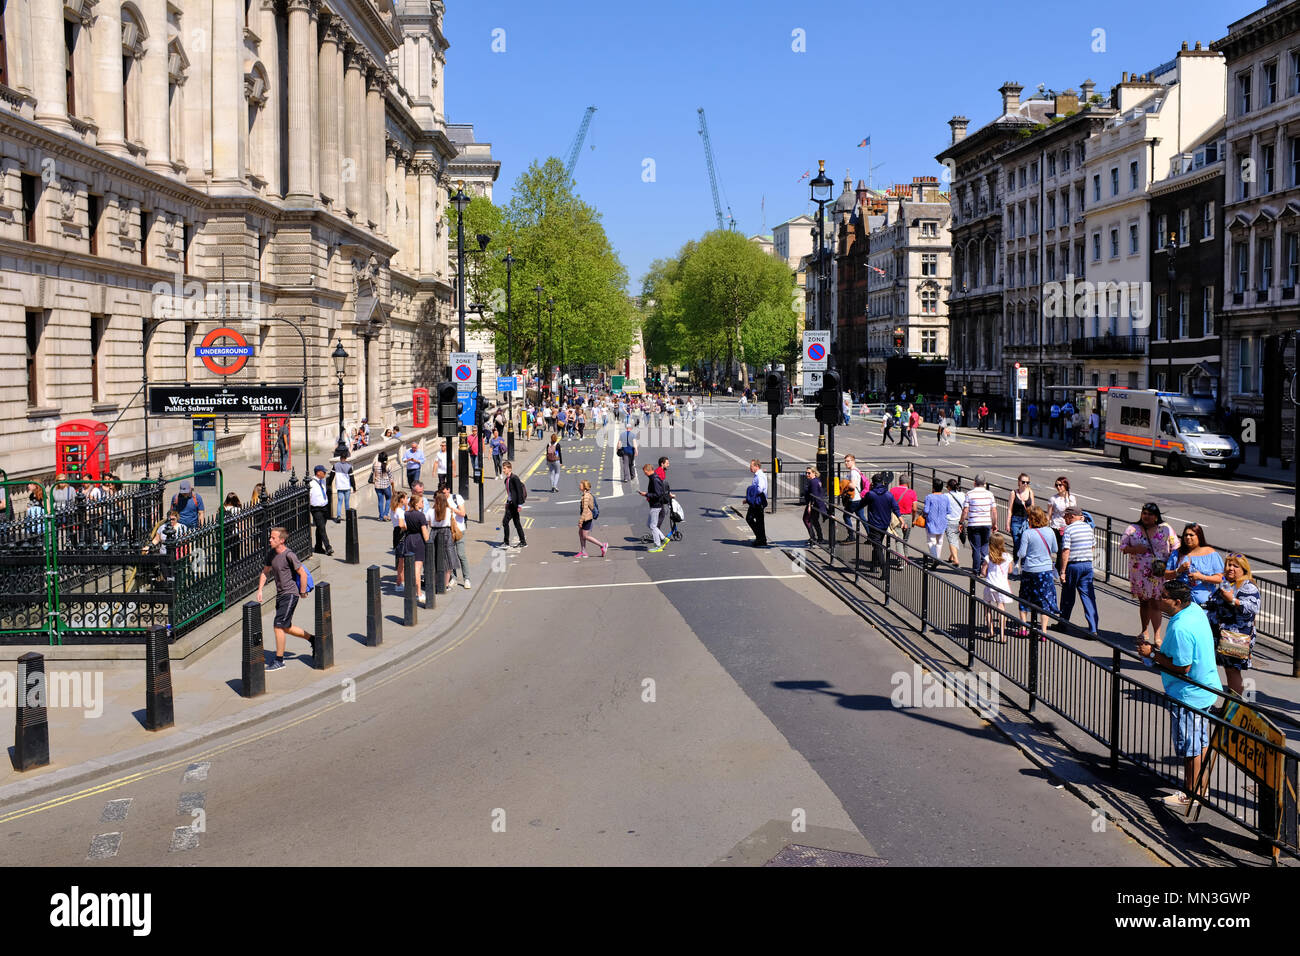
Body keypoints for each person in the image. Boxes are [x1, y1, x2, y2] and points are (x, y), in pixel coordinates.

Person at [1136, 579, 1222, 813]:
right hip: (1206, 689)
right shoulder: (1194, 610)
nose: (1158, 597)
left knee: (1190, 747)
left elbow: (1182, 666)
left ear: (1176, 601)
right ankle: (1201, 788)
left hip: (1188, 695)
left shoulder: (1180, 627)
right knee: (1201, 742)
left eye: (1163, 595)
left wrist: (1151, 653)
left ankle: (1190, 794)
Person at [256, 526, 315, 671]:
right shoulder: (271, 554)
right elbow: (265, 572)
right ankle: (314, 639)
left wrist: (302, 592)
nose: (270, 539)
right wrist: (260, 590)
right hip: (281, 594)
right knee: (286, 627)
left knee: (278, 626)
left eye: (273, 538)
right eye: (270, 537)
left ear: (281, 540)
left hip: (290, 594)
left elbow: (303, 573)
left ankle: (279, 660)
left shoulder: (290, 555)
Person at [1120, 502, 1178, 644]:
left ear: (1156, 516)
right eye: (1144, 513)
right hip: (1139, 573)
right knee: (1144, 602)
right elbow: (1122, 546)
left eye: (1150, 514)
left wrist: (1170, 562)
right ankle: (1144, 631)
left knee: (1156, 603)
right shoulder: (1133, 529)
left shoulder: (1165, 529)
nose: (1146, 516)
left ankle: (1157, 636)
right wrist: (1135, 550)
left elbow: (1176, 547)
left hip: (1158, 573)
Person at [1205, 553, 1259, 697]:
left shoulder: (1247, 586)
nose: (1231, 568)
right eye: (1229, 565)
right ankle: (1232, 705)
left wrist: (1232, 600)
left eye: (1235, 566)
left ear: (1244, 569)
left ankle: (1236, 706)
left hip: (1236, 635)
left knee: (1232, 669)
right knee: (1229, 670)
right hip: (1222, 634)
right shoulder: (1228, 583)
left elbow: (1252, 608)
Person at [1053, 505, 1098, 636]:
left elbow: (1066, 551)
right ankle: (1093, 628)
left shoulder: (1069, 530)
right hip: (1087, 565)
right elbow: (1093, 546)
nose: (1064, 519)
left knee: (1068, 596)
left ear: (1071, 516)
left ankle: (1063, 623)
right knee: (1088, 596)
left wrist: (1062, 571)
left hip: (1073, 566)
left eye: (1065, 516)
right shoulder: (1088, 528)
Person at [1015, 505, 1058, 632]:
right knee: (1044, 599)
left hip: (1030, 570)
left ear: (1032, 519)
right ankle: (1043, 631)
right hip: (1045, 570)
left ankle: (1023, 627)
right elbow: (1055, 549)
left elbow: (1022, 553)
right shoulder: (1050, 531)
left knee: (1024, 598)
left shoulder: (1027, 533)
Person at [1164, 523, 1224, 608]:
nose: (1188, 537)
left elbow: (1220, 578)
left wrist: (1202, 577)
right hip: (1183, 603)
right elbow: (1166, 575)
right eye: (1186, 535)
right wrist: (1178, 570)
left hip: (1205, 604)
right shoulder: (1177, 553)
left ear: (1199, 536)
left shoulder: (1210, 553)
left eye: (1191, 535)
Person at [959, 474, 998, 574]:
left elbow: (965, 510)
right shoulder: (990, 494)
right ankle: (984, 569)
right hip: (986, 524)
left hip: (974, 524)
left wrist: (961, 522)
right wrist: (994, 524)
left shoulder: (969, 494)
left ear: (974, 482)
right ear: (985, 484)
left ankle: (976, 570)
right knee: (985, 546)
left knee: (976, 548)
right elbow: (994, 511)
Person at [396, 492, 429, 603]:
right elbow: (424, 532)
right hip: (419, 540)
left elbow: (404, 526)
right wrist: (429, 543)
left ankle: (411, 590)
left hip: (409, 539)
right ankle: (419, 593)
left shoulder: (406, 514)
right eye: (421, 502)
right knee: (417, 568)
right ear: (416, 504)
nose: (423, 503)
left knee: (410, 567)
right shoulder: (421, 516)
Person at [863, 473, 900, 572]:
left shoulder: (871, 494)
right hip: (884, 524)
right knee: (876, 544)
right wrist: (901, 519)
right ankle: (873, 565)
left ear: (873, 482)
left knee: (877, 546)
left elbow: (862, 503)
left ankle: (884, 569)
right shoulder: (888, 494)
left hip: (874, 524)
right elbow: (896, 507)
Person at [981, 531, 1013, 643]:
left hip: (990, 584)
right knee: (1001, 609)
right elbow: (1010, 570)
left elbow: (983, 572)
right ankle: (1002, 635)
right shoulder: (1008, 556)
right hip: (1002, 585)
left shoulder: (988, 557)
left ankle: (990, 631)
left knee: (987, 606)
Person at [429, 487, 458, 593]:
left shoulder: (431, 511)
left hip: (434, 534)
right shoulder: (449, 510)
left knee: (434, 559)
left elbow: (429, 524)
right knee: (448, 560)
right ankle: (445, 585)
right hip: (446, 534)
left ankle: (435, 584)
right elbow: (451, 522)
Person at [1006, 474, 1035, 574]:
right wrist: (1007, 523)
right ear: (1019, 482)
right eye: (1023, 482)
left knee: (1025, 544)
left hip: (1026, 521)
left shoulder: (1030, 492)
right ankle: (1015, 563)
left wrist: (1032, 522)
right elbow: (1009, 509)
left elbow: (1032, 509)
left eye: (1027, 482)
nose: (1025, 484)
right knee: (1017, 543)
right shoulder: (1013, 493)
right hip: (1016, 521)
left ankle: (1022, 566)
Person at [641, 463, 669, 553]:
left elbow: (658, 494)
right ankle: (663, 538)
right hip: (655, 505)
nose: (644, 474)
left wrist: (646, 494)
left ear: (648, 470)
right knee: (649, 524)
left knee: (653, 526)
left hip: (656, 505)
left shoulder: (654, 479)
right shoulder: (653, 477)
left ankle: (658, 545)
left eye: (645, 472)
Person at [500, 460, 528, 550]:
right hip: (510, 504)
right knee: (516, 523)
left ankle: (506, 542)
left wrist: (520, 505)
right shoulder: (506, 480)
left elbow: (519, 491)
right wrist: (507, 502)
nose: (503, 470)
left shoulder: (514, 478)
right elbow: (510, 494)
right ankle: (523, 541)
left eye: (505, 468)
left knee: (505, 522)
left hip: (515, 505)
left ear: (510, 469)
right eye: (503, 468)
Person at [577, 479, 608, 558]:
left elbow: (585, 510)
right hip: (586, 517)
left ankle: (602, 545)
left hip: (586, 518)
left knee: (585, 536)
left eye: (581, 484)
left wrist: (580, 521)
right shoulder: (586, 494)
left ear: (584, 487)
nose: (579, 486)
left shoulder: (586, 496)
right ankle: (583, 551)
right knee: (580, 533)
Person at [921, 478, 949, 562]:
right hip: (942, 522)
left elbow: (926, 510)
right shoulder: (946, 497)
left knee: (931, 541)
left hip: (931, 522)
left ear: (933, 487)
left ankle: (935, 558)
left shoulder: (929, 497)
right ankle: (937, 558)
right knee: (939, 542)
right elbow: (948, 510)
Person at [448, 486, 471, 589]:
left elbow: (462, 513)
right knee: (451, 555)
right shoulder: (440, 499)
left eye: (445, 492)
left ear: (448, 490)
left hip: (459, 530)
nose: (444, 494)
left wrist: (452, 508)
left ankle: (467, 578)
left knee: (461, 554)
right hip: (448, 530)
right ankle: (453, 578)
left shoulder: (456, 498)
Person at [889, 476, 918, 554]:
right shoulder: (912, 492)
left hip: (896, 517)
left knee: (899, 540)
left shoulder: (892, 490)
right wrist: (913, 519)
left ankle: (902, 561)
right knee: (905, 540)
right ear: (908, 483)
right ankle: (906, 558)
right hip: (908, 517)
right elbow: (914, 509)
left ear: (899, 482)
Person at [308, 465, 333, 556]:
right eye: (324, 472)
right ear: (318, 472)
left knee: (320, 527)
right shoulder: (311, 483)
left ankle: (318, 547)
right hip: (316, 508)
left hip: (324, 507)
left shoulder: (322, 481)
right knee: (322, 528)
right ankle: (328, 547)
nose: (325, 474)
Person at [1047, 477, 1076, 550]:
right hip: (1056, 527)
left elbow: (1075, 513)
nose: (1058, 487)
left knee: (1068, 549)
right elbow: (1049, 515)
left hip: (1068, 528)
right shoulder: (1053, 499)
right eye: (1056, 485)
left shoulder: (1071, 498)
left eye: (1060, 485)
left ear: (1065, 485)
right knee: (1060, 550)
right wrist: (1046, 527)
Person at [744, 458, 768, 547]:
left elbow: (760, 489)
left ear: (757, 466)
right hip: (757, 501)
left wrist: (751, 495)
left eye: (751, 466)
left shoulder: (759, 476)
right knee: (759, 521)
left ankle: (761, 538)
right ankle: (761, 539)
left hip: (758, 501)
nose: (750, 468)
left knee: (750, 519)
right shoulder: (758, 475)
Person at [802, 465, 827, 546]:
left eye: (809, 473)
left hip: (813, 505)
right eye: (806, 473)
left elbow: (814, 495)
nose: (807, 474)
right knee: (814, 521)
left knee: (806, 520)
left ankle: (814, 538)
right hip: (816, 505)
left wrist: (809, 506)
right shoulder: (816, 480)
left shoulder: (813, 482)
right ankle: (819, 538)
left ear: (814, 473)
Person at [943, 478, 965, 565]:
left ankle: (955, 559)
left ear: (949, 487)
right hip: (960, 520)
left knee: (952, 540)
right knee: (955, 538)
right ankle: (951, 556)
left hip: (950, 520)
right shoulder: (962, 494)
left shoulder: (946, 496)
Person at [371, 451, 393, 521]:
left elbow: (373, 472)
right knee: (389, 499)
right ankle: (385, 514)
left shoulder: (375, 464)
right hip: (386, 485)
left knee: (380, 501)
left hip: (377, 485)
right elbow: (390, 477)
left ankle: (381, 516)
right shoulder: (388, 465)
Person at [332, 450, 354, 521]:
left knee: (339, 502)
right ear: (346, 458)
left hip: (339, 486)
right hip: (347, 487)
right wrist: (354, 487)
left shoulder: (335, 465)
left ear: (340, 457)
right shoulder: (349, 467)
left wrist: (329, 484)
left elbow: (332, 475)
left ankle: (338, 516)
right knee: (347, 502)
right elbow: (352, 478)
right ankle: (347, 517)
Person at [390, 491, 408, 555]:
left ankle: (398, 565)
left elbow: (404, 514)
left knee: (398, 553)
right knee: (402, 553)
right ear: (402, 499)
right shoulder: (400, 511)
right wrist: (407, 528)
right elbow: (401, 524)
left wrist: (406, 506)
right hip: (401, 532)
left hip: (396, 531)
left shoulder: (393, 509)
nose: (407, 500)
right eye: (406, 498)